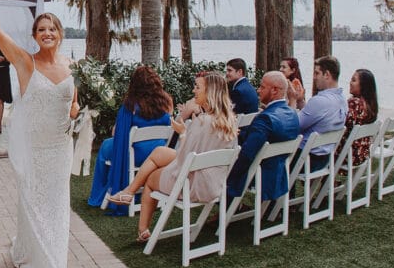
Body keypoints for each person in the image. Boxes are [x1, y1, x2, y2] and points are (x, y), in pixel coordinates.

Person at [0, 0, 78, 268]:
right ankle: (32, 257)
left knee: (56, 205)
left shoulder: (71, 66)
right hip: (34, 148)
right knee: (32, 202)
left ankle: (54, 263)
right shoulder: (25, 62)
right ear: (35, 35)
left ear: (60, 34)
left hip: (60, 147)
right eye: (41, 29)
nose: (47, 33)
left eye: (52, 29)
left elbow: (73, 103)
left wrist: (78, 113)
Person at [107, 72, 238, 242]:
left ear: (210, 92)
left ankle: (143, 229)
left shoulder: (202, 122)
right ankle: (129, 192)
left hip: (194, 184)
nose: (194, 91)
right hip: (215, 183)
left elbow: (184, 160)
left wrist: (183, 134)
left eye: (198, 87)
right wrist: (184, 133)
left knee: (150, 179)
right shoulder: (230, 120)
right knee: (160, 152)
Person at [87, 65, 173, 215]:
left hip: (135, 154)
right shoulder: (167, 102)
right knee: (110, 145)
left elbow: (118, 134)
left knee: (105, 147)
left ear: (135, 84)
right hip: (158, 154)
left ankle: (99, 195)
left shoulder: (131, 105)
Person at [226, 71, 300, 200]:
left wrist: (229, 177)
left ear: (274, 90)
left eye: (262, 87)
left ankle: (227, 208)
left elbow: (247, 155)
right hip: (279, 172)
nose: (258, 90)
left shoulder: (265, 119)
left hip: (261, 175)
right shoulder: (292, 114)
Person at [299, 56, 348, 171]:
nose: (314, 77)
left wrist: (291, 100)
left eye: (317, 73)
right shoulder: (342, 100)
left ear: (327, 75)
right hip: (324, 158)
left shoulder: (320, 101)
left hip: (307, 160)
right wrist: (300, 101)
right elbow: (314, 116)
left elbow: (293, 125)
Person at [337, 68, 379, 166]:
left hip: (347, 156)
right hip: (362, 155)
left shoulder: (354, 103)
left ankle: (322, 180)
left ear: (363, 85)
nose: (350, 83)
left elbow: (341, 124)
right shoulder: (370, 105)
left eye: (354, 80)